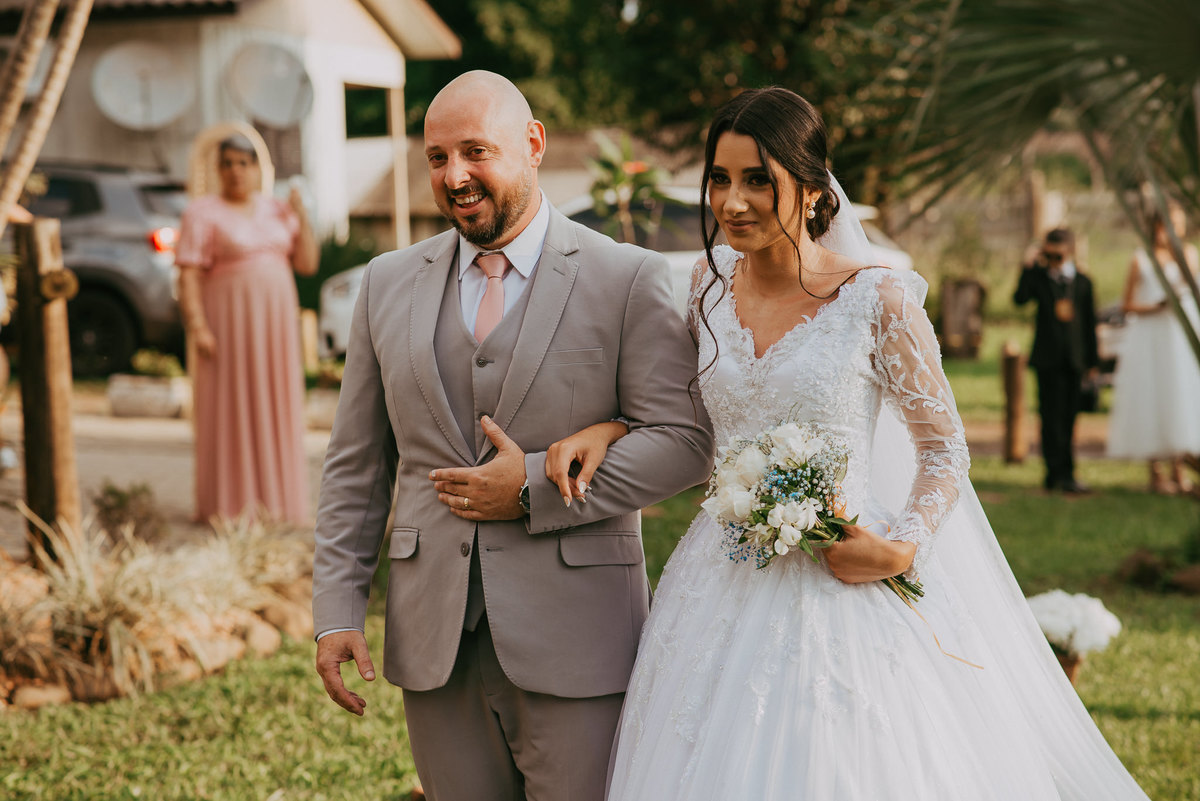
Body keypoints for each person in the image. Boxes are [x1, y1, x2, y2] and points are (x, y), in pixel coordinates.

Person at [551, 87, 1150, 800]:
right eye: (719, 178)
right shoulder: (707, 290)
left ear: (810, 191)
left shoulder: (878, 300)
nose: (731, 201)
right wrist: (610, 426)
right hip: (720, 578)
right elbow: (687, 412)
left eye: (756, 180)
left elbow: (945, 450)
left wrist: (903, 545)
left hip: (848, 577)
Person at [310, 71, 713, 801]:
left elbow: (686, 441)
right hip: (434, 640)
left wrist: (530, 489)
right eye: (436, 158)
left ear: (532, 145)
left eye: (474, 151)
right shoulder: (385, 282)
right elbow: (356, 466)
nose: (454, 176)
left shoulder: (626, 277)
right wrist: (337, 608)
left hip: (579, 639)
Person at [175, 135, 318, 524]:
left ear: (257, 169)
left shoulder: (277, 209)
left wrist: (301, 214)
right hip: (227, 324)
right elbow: (187, 275)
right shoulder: (201, 213)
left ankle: (278, 505)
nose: (236, 171)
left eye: (243, 163)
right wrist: (197, 325)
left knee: (275, 403)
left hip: (275, 327)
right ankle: (227, 507)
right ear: (217, 170)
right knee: (228, 406)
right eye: (228, 164)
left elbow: (306, 263)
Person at [1107, 201, 1200, 494]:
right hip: (1150, 336)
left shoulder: (1190, 255)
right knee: (1152, 395)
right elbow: (1127, 303)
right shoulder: (1142, 259)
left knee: (1180, 397)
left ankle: (1180, 469)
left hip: (1180, 336)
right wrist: (1156, 308)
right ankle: (1156, 472)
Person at [1013, 227, 1099, 493]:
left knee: (1069, 418)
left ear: (1070, 251)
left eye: (1058, 255)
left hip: (1074, 360)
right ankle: (1053, 473)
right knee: (1049, 417)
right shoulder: (1039, 279)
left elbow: (1088, 326)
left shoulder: (1083, 282)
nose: (1053, 261)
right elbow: (1020, 299)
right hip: (1047, 359)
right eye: (1048, 254)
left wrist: (1092, 363)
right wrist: (1028, 265)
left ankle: (1068, 472)